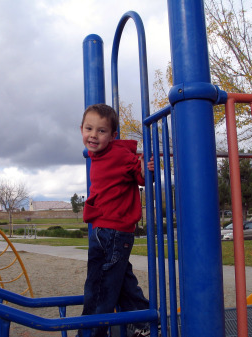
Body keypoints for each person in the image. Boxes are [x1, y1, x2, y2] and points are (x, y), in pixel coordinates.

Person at [78, 103, 154, 337]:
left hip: (114, 231)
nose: (93, 135)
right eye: (89, 128)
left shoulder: (119, 153)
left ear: (113, 136)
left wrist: (144, 168)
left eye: (101, 131)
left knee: (99, 288)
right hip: (102, 228)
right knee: (121, 281)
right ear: (81, 129)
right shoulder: (97, 153)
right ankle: (144, 322)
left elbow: (140, 176)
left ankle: (90, 334)